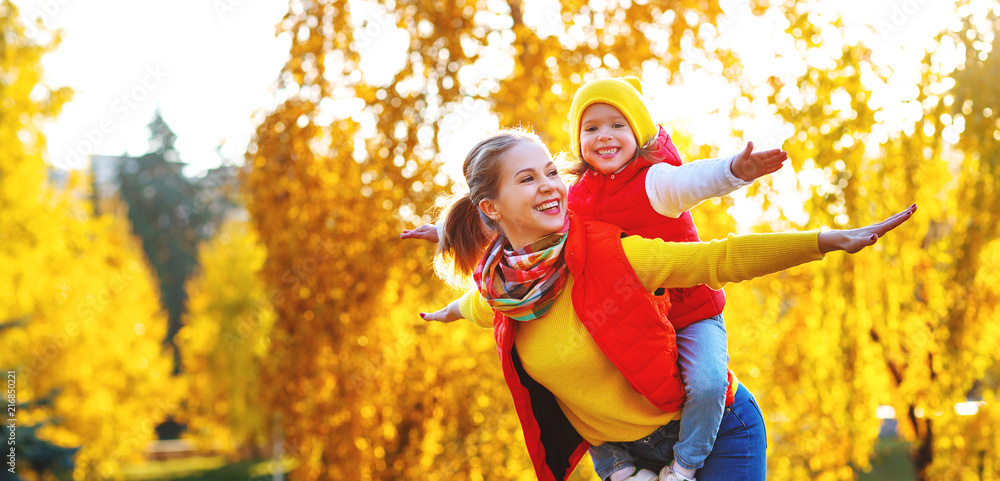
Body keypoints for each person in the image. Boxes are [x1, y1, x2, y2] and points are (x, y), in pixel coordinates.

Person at [418, 128, 916, 481]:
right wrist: (447, 312)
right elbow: (475, 306)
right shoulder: (502, 293)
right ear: (491, 207)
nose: (550, 185)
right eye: (527, 179)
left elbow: (718, 259)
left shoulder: (612, 252)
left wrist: (827, 239)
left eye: (551, 171)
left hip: (718, 432)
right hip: (625, 463)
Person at [403, 76, 788, 481]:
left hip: (692, 315)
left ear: (638, 132)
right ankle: (619, 468)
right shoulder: (571, 205)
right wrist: (448, 237)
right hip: (641, 399)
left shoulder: (656, 181)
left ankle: (685, 465)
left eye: (617, 125)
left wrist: (737, 170)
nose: (604, 135)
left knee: (707, 383)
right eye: (592, 128)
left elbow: (698, 184)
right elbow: (516, 221)